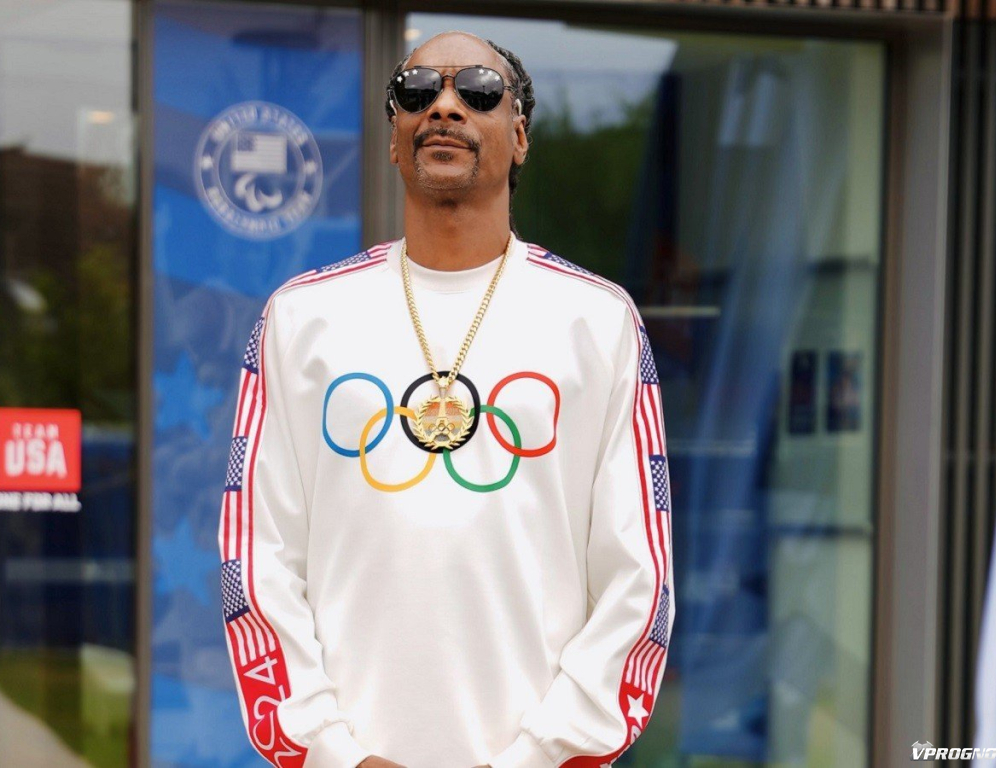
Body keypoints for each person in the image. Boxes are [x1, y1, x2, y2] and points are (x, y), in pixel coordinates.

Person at [218, 29, 675, 768]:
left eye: (479, 91)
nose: (445, 106)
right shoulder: (300, 319)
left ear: (519, 137)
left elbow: (638, 582)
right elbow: (257, 561)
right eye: (418, 90)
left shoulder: (598, 322)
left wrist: (538, 756)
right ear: (393, 139)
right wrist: (335, 754)